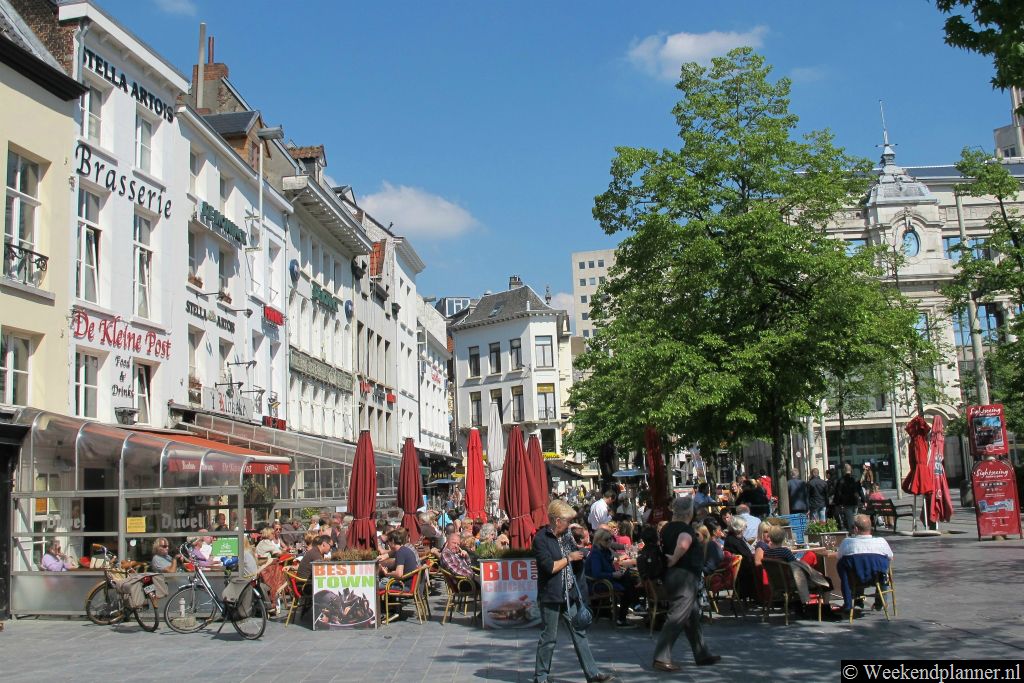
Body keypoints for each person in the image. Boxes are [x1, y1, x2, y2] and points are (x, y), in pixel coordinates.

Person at [532, 499, 616, 683]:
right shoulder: (541, 539)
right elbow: (549, 567)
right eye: (567, 521)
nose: (569, 524)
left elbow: (575, 561)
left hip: (569, 592)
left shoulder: (567, 535)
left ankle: (592, 674)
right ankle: (541, 676)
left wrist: (580, 556)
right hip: (551, 594)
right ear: (557, 520)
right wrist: (569, 558)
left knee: (579, 633)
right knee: (549, 637)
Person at [652, 496, 720, 672]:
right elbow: (683, 543)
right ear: (689, 512)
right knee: (677, 615)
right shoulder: (685, 529)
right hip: (684, 577)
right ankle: (661, 657)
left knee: (692, 616)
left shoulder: (666, 528)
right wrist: (675, 558)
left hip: (673, 576)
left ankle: (702, 653)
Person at [836, 514, 893, 612]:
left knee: (853, 567)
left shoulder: (847, 542)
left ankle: (854, 602)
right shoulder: (881, 541)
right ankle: (880, 603)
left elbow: (839, 557)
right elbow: (890, 557)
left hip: (855, 579)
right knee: (882, 571)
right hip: (877, 578)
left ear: (856, 529)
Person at [585, 529, 638, 627]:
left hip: (607, 580)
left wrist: (617, 572)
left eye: (610, 539)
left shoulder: (606, 550)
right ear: (599, 541)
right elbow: (596, 574)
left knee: (630, 579)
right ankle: (624, 616)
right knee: (627, 586)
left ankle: (631, 608)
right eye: (606, 539)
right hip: (598, 583)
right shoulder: (596, 553)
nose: (609, 541)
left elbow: (613, 561)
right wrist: (613, 574)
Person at [834, 463, 864, 532]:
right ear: (851, 470)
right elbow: (860, 490)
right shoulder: (855, 478)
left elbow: (838, 492)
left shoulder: (841, 480)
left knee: (849, 517)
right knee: (855, 516)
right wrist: (863, 499)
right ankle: (856, 530)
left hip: (846, 501)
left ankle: (852, 531)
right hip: (855, 500)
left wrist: (837, 502)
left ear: (844, 470)